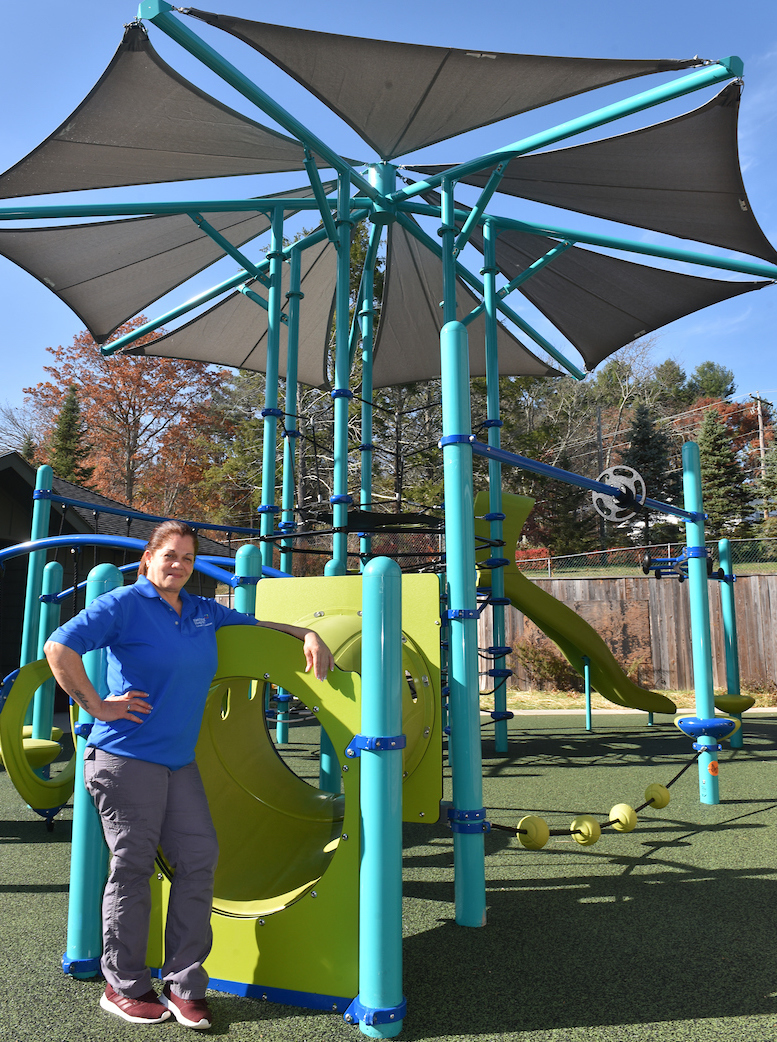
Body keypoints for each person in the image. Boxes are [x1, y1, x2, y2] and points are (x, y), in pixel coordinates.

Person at [45, 521, 334, 1030]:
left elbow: (260, 628)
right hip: (125, 758)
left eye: (186, 558)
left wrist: (308, 633)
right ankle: (124, 985)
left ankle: (183, 983)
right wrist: (97, 705)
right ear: (148, 559)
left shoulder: (202, 611)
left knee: (199, 857)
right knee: (133, 867)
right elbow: (59, 647)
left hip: (178, 762)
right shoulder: (125, 605)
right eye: (169, 555)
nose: (177, 564)